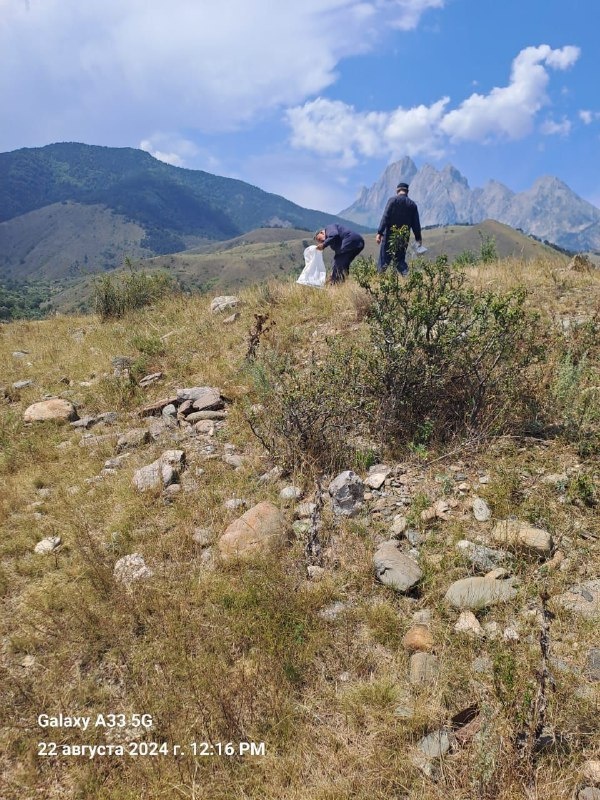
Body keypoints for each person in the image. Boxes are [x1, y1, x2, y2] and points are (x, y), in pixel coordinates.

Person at [376, 182, 422, 276]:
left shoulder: (392, 201)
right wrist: (418, 239)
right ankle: (409, 279)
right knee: (400, 261)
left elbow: (385, 217)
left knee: (384, 261)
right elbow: (416, 224)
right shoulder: (412, 205)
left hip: (389, 236)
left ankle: (378, 282)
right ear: (407, 191)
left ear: (397, 191)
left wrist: (380, 233)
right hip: (403, 238)